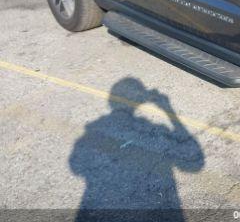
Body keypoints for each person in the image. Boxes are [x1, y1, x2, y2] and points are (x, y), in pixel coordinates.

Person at [69, 78, 204, 221]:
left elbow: (76, 166)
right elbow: (194, 161)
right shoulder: (156, 133)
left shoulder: (93, 133)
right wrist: (168, 109)